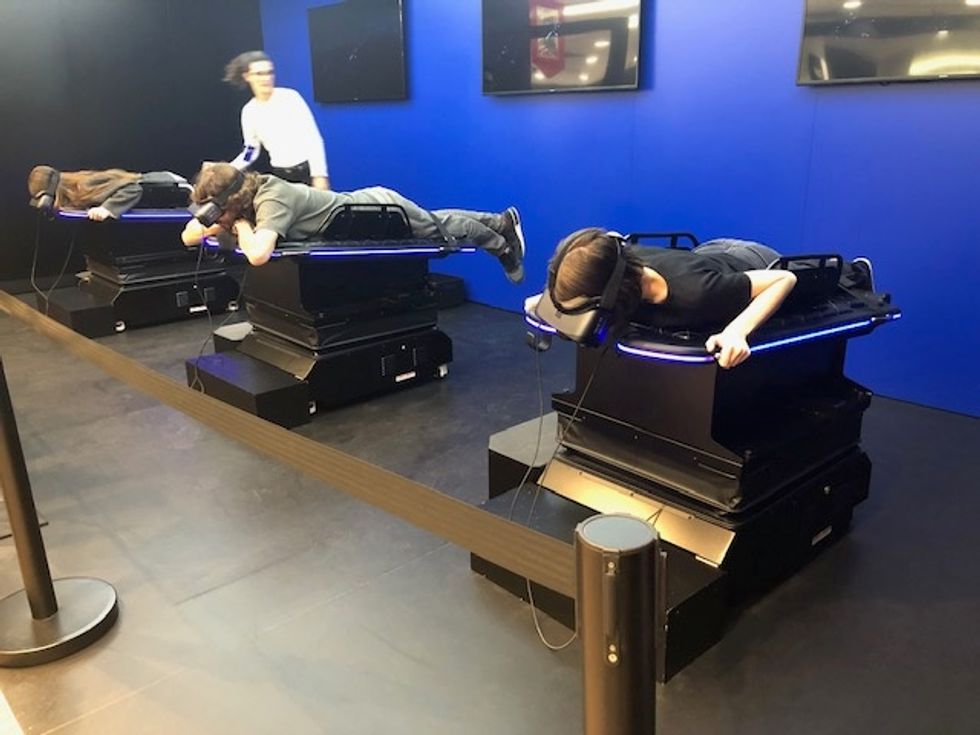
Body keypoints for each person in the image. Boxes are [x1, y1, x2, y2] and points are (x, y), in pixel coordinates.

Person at [180, 163, 526, 283]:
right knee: (437, 219)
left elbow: (258, 255)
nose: (216, 219)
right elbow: (188, 236)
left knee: (443, 232)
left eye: (217, 210)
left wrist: (240, 226)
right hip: (361, 212)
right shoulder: (247, 197)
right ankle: (500, 221)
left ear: (234, 202)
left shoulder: (272, 198)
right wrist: (217, 219)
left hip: (375, 212)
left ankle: (501, 245)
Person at [546, 229, 800, 369]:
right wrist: (546, 302)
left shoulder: (696, 293)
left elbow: (784, 279)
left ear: (613, 293)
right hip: (707, 253)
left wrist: (736, 332)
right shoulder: (617, 259)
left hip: (753, 258)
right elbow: (610, 237)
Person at [224, 51, 330, 190]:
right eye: (259, 74)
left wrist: (319, 176)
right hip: (280, 177)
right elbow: (251, 150)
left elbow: (313, 139)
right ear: (247, 76)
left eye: (269, 72)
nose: (266, 78)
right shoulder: (249, 111)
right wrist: (229, 169)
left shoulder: (290, 98)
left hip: (307, 174)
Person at [27, 165, 188, 221]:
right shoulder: (77, 187)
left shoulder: (85, 186)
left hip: (172, 186)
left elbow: (133, 188)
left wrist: (107, 209)